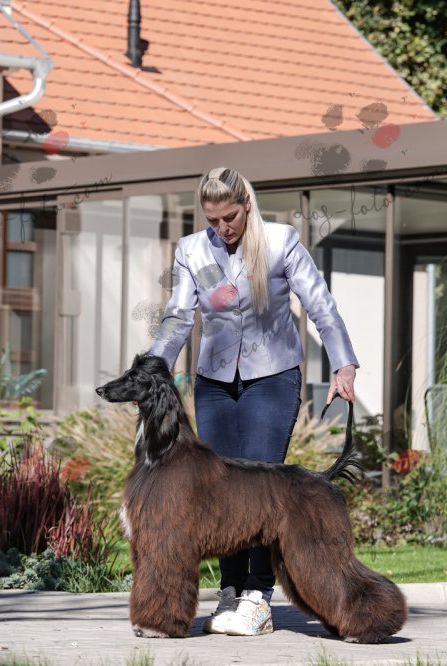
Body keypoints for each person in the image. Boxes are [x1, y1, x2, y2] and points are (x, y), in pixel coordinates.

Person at [148, 166, 358, 636]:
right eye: (213, 220)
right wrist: (152, 370)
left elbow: (320, 304)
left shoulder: (281, 241)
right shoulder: (191, 249)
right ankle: (229, 592)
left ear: (246, 204)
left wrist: (343, 364)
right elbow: (178, 317)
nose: (223, 228)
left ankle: (258, 596)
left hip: (273, 377)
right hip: (214, 381)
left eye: (230, 217)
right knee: (220, 490)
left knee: (262, 491)